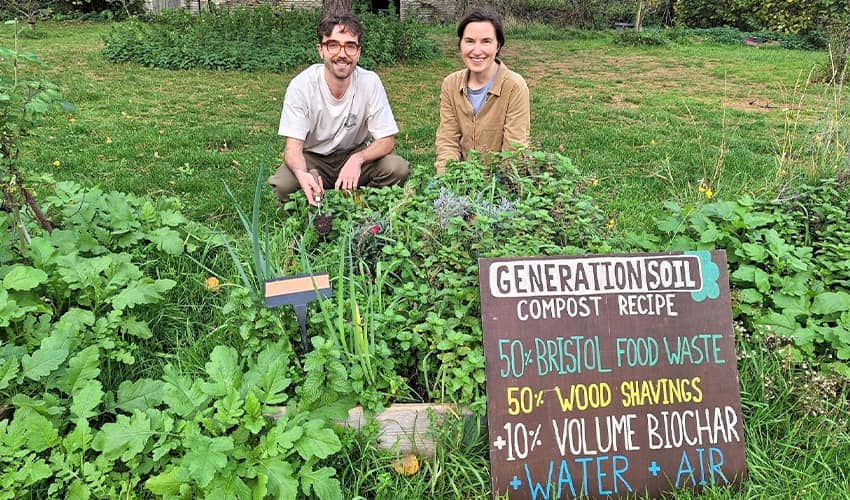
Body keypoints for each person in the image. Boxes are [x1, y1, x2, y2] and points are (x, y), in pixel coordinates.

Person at [268, 15, 409, 206]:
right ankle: (314, 210)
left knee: (397, 168)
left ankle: (361, 208)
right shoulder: (301, 86)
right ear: (321, 50)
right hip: (313, 158)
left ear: (358, 52)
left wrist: (358, 159)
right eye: (333, 45)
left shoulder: (370, 82)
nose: (342, 54)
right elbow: (292, 149)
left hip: (354, 153)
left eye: (350, 46)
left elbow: (387, 140)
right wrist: (302, 174)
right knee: (284, 184)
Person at [435, 8, 530, 175]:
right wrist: (447, 181)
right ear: (460, 44)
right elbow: (447, 142)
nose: (477, 51)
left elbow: (514, 151)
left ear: (498, 46)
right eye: (470, 41)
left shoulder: (515, 86)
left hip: (500, 182)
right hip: (461, 178)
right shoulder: (450, 84)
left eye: (486, 41)